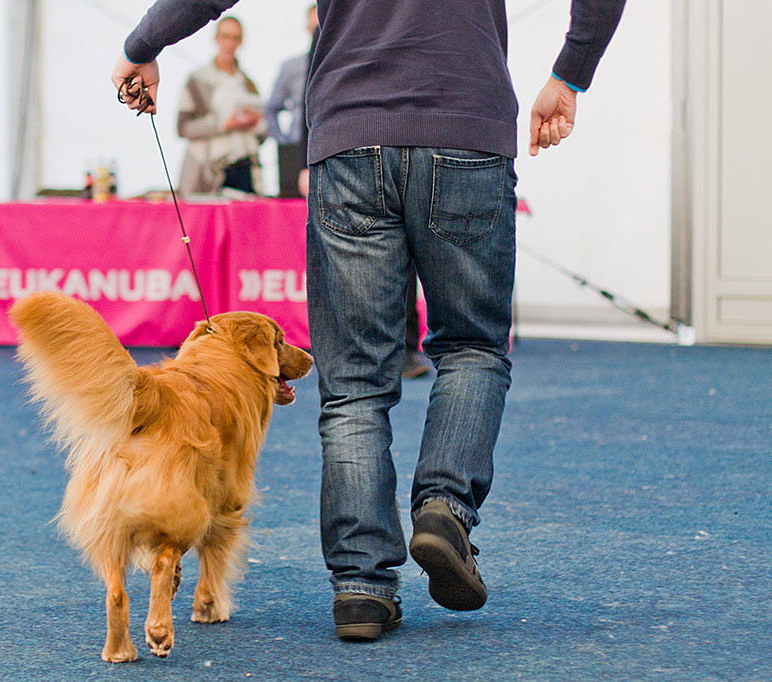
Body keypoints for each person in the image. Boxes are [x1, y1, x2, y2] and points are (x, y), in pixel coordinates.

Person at [113, 0, 625, 641]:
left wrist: (144, 44)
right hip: (467, 129)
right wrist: (570, 74)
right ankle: (443, 507)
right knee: (472, 347)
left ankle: (361, 589)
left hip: (349, 139)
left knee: (353, 381)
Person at [175, 16, 266, 195]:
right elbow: (183, 128)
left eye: (235, 38)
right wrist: (223, 125)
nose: (229, 44)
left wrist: (254, 123)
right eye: (224, 37)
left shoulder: (249, 84)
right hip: (209, 171)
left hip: (243, 168)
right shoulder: (197, 80)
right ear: (216, 39)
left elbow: (262, 134)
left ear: (241, 42)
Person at [264, 4, 318, 197]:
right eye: (314, 28)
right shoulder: (292, 67)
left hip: (328, 145)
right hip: (297, 147)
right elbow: (271, 108)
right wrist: (283, 141)